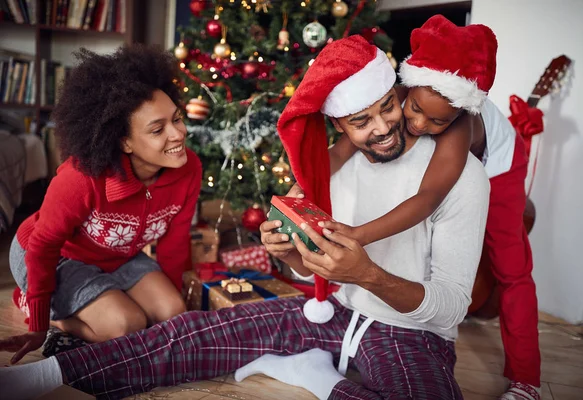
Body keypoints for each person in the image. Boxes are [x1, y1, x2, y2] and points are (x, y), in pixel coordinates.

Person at [0, 35, 489, 400]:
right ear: (337, 123)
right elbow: (312, 269)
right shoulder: (330, 167)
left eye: (389, 108)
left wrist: (367, 274)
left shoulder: (461, 176)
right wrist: (294, 256)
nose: (383, 128)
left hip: (409, 333)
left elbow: (449, 309)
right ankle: (33, 378)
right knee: (185, 336)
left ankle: (318, 380)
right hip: (329, 309)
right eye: (360, 122)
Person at [320, 16, 542, 400]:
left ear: (457, 114)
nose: (419, 125)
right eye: (415, 109)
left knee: (512, 268)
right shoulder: (402, 95)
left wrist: (357, 234)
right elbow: (339, 151)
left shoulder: (457, 124)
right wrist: (298, 189)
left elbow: (428, 198)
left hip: (501, 164)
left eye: (436, 120)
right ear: (408, 85)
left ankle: (527, 379)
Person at [0, 45, 202, 365]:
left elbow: (174, 243)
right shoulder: (81, 178)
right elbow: (43, 245)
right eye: (157, 129)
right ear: (124, 141)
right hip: (56, 256)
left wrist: (169, 301)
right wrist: (39, 326)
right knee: (127, 324)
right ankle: (46, 309)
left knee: (173, 313)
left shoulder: (188, 169)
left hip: (118, 256)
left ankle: (103, 300)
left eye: (177, 119)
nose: (179, 134)